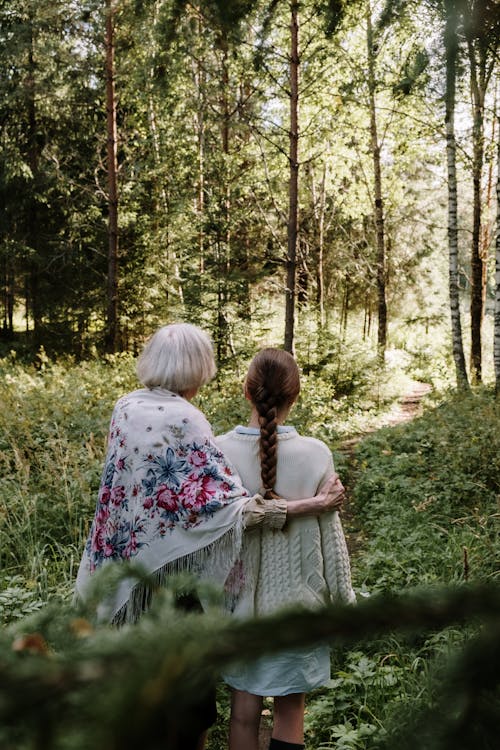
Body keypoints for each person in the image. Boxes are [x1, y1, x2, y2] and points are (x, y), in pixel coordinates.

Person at [75, 324, 345, 750]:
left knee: (168, 699)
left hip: (134, 573)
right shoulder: (190, 422)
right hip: (187, 580)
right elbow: (228, 510)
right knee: (195, 704)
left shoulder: (126, 408)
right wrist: (307, 507)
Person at [215, 348, 356, 750]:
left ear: (247, 391)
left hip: (236, 603)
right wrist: (342, 599)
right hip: (299, 602)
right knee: (290, 710)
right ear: (295, 396)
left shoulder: (218, 452)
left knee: (243, 712)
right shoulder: (315, 454)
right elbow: (331, 534)